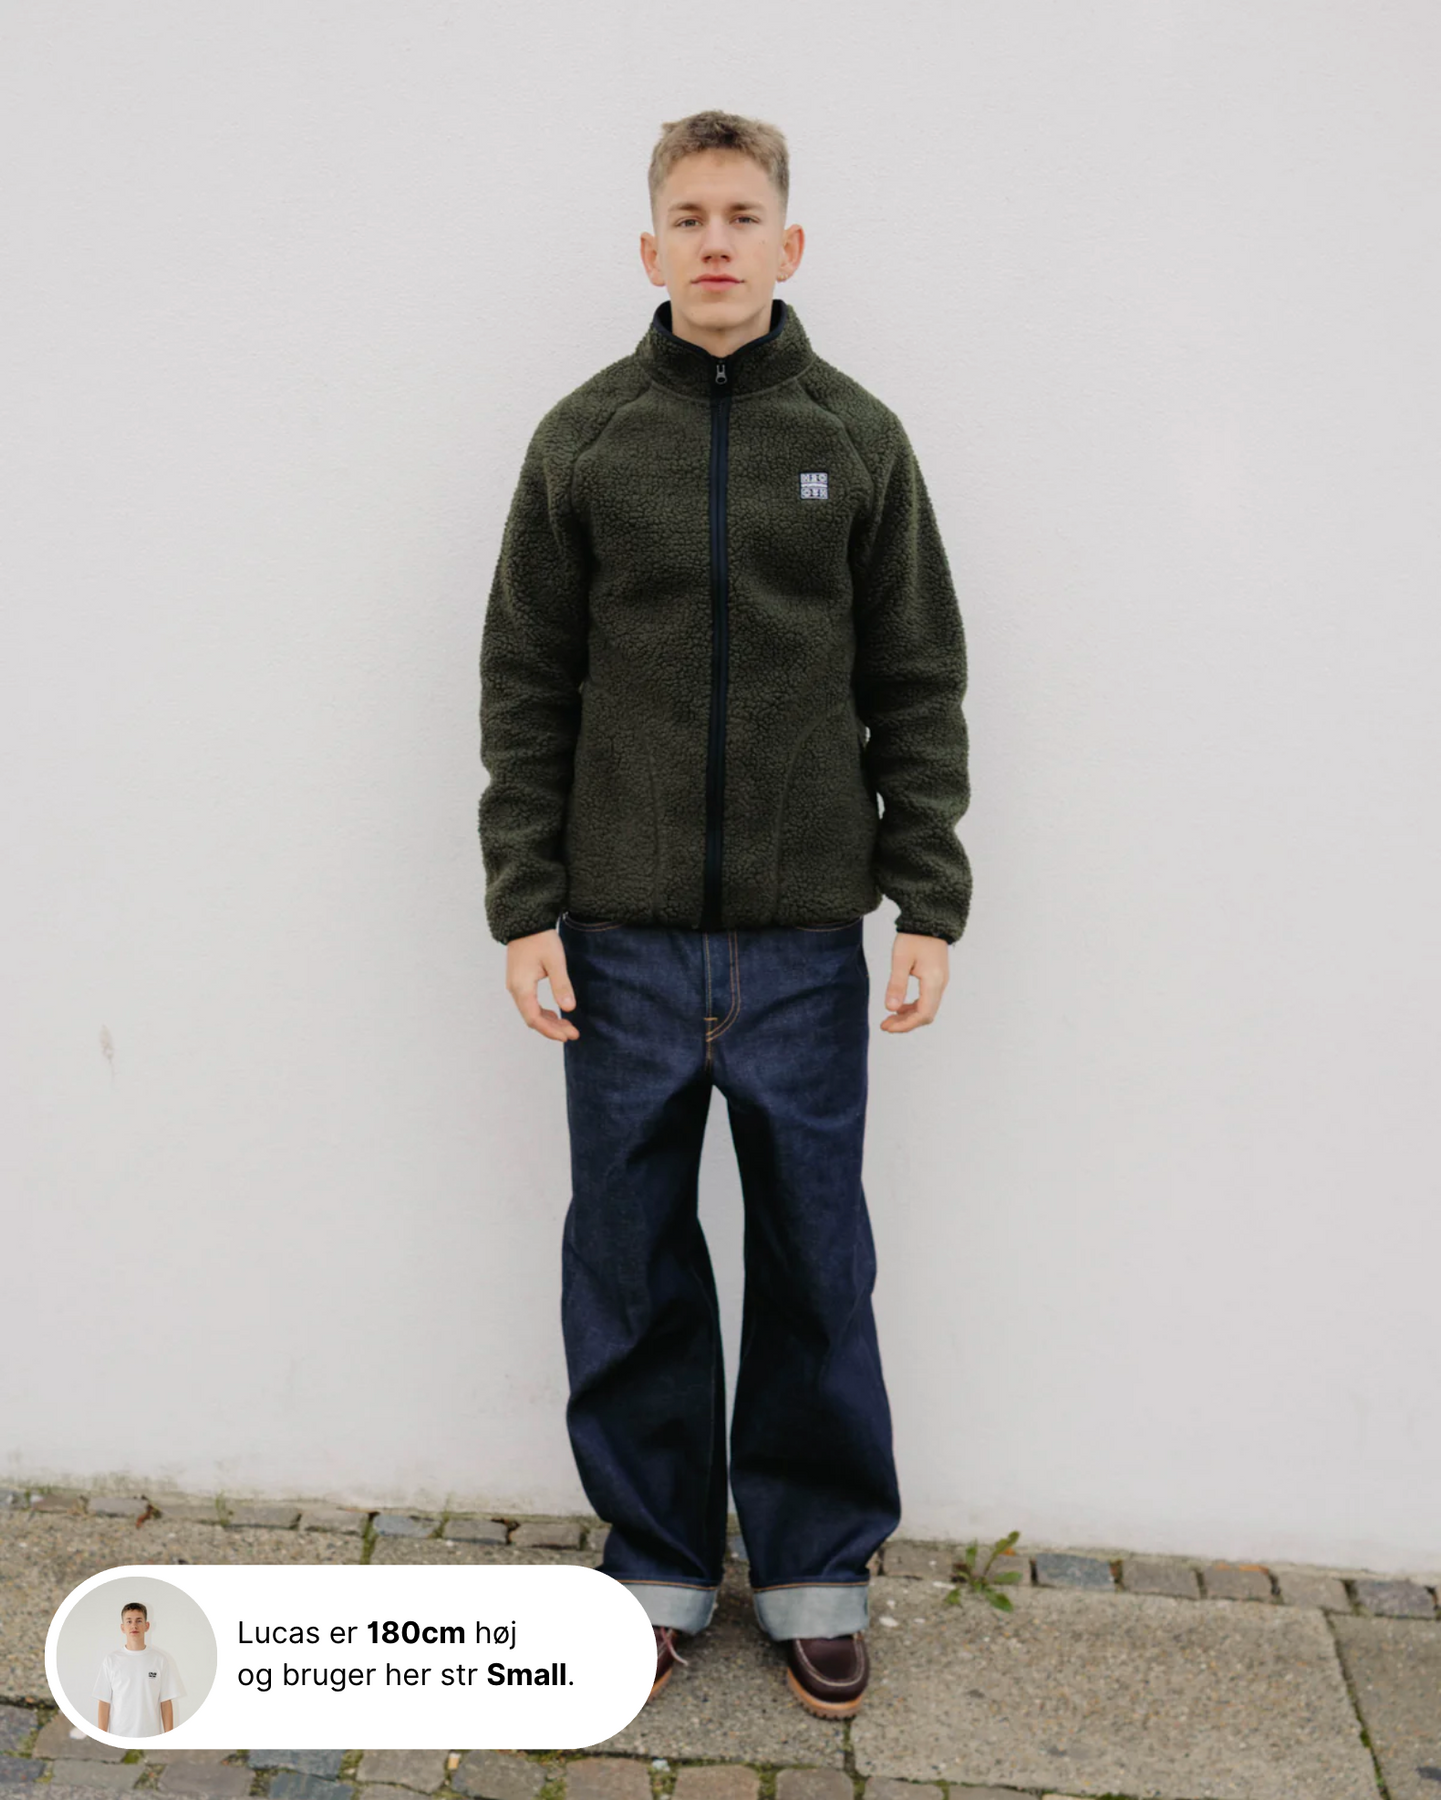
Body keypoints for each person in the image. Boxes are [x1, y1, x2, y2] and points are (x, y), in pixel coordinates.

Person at [478, 108, 970, 1719]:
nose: (714, 241)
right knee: (627, 1263)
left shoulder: (857, 440)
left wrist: (928, 898)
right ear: (649, 247)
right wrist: (525, 905)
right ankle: (658, 1568)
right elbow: (525, 685)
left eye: (741, 215)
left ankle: (819, 1571)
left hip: (801, 947)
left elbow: (915, 680)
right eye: (687, 216)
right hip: (614, 948)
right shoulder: (584, 442)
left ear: (787, 244)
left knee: (815, 1258)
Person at [92, 1601, 185, 1735]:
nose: (134, 1625)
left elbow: (165, 1702)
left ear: (147, 1626)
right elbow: (104, 1702)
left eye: (139, 1621)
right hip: (119, 1736)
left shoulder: (159, 1660)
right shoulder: (111, 1660)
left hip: (150, 1735)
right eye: (129, 1621)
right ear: (122, 1627)